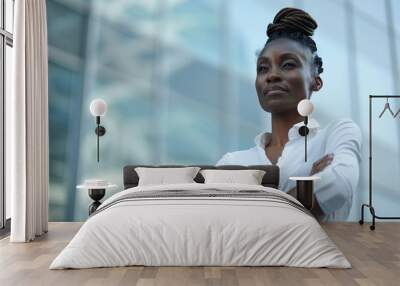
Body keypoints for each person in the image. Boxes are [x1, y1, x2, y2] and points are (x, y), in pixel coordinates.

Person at [217, 7, 362, 221]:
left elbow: (338, 184)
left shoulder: (336, 134)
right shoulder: (233, 162)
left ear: (316, 80)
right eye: (263, 68)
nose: (272, 75)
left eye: (288, 64)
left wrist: (256, 214)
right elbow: (216, 225)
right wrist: (306, 187)